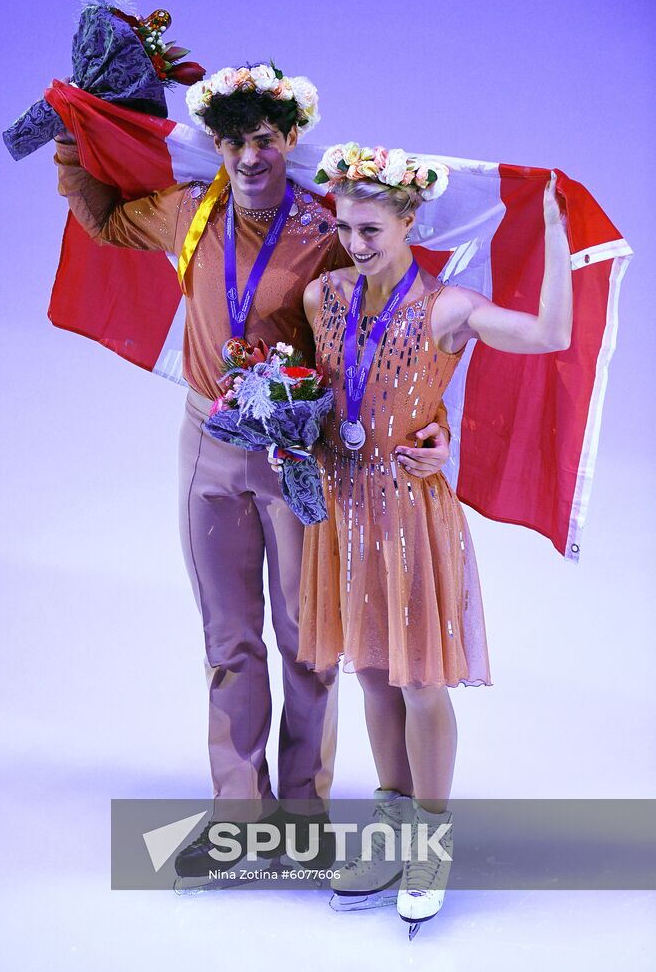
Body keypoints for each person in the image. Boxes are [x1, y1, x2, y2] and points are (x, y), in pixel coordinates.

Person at [51, 65, 452, 876]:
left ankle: (302, 818)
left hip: (298, 455)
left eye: (263, 140)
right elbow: (103, 221)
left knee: (310, 642)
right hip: (207, 441)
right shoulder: (188, 214)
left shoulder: (328, 231)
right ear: (218, 145)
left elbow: (397, 328)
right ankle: (241, 817)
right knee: (229, 639)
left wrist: (435, 422)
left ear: (289, 140)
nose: (247, 157)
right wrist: (73, 143)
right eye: (232, 142)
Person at [286, 143, 571, 928]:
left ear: (412, 220)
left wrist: (554, 231)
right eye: (345, 226)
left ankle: (431, 844)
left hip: (409, 513)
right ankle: (388, 833)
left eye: (373, 227)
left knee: (419, 680)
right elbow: (322, 393)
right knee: (372, 673)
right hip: (344, 507)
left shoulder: (447, 307)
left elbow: (549, 334)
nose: (357, 242)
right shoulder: (324, 296)